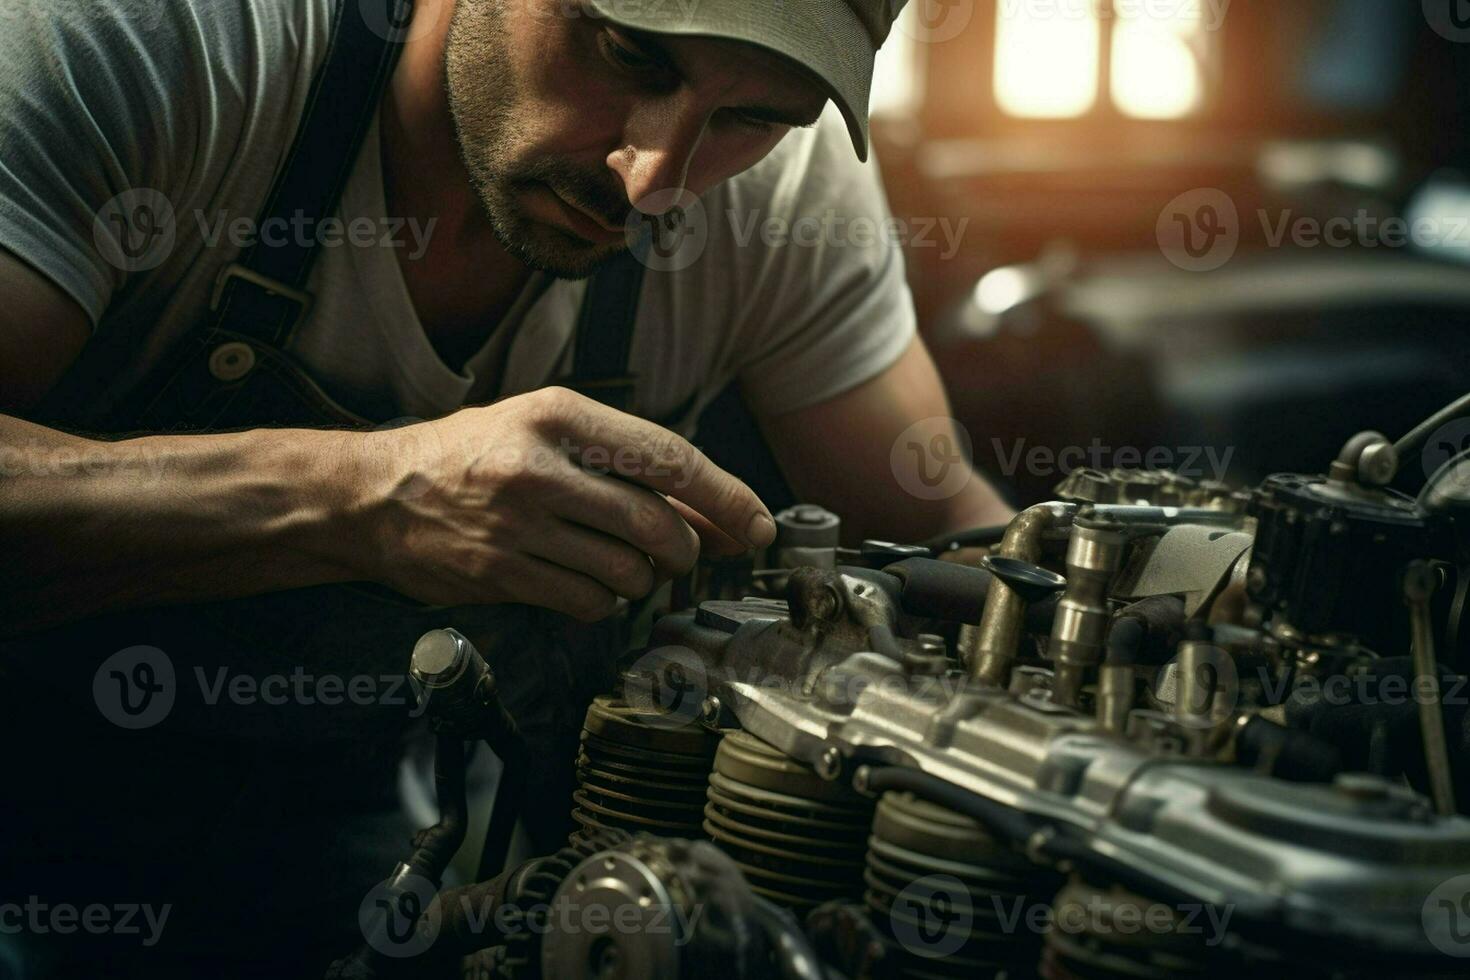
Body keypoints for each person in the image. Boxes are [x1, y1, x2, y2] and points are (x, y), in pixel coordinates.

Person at [0, 0, 1012, 973]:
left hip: (347, 813)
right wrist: (364, 496)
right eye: (628, 52)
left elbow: (949, 536)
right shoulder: (167, 41)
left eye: (751, 117)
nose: (656, 179)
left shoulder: (788, 203)